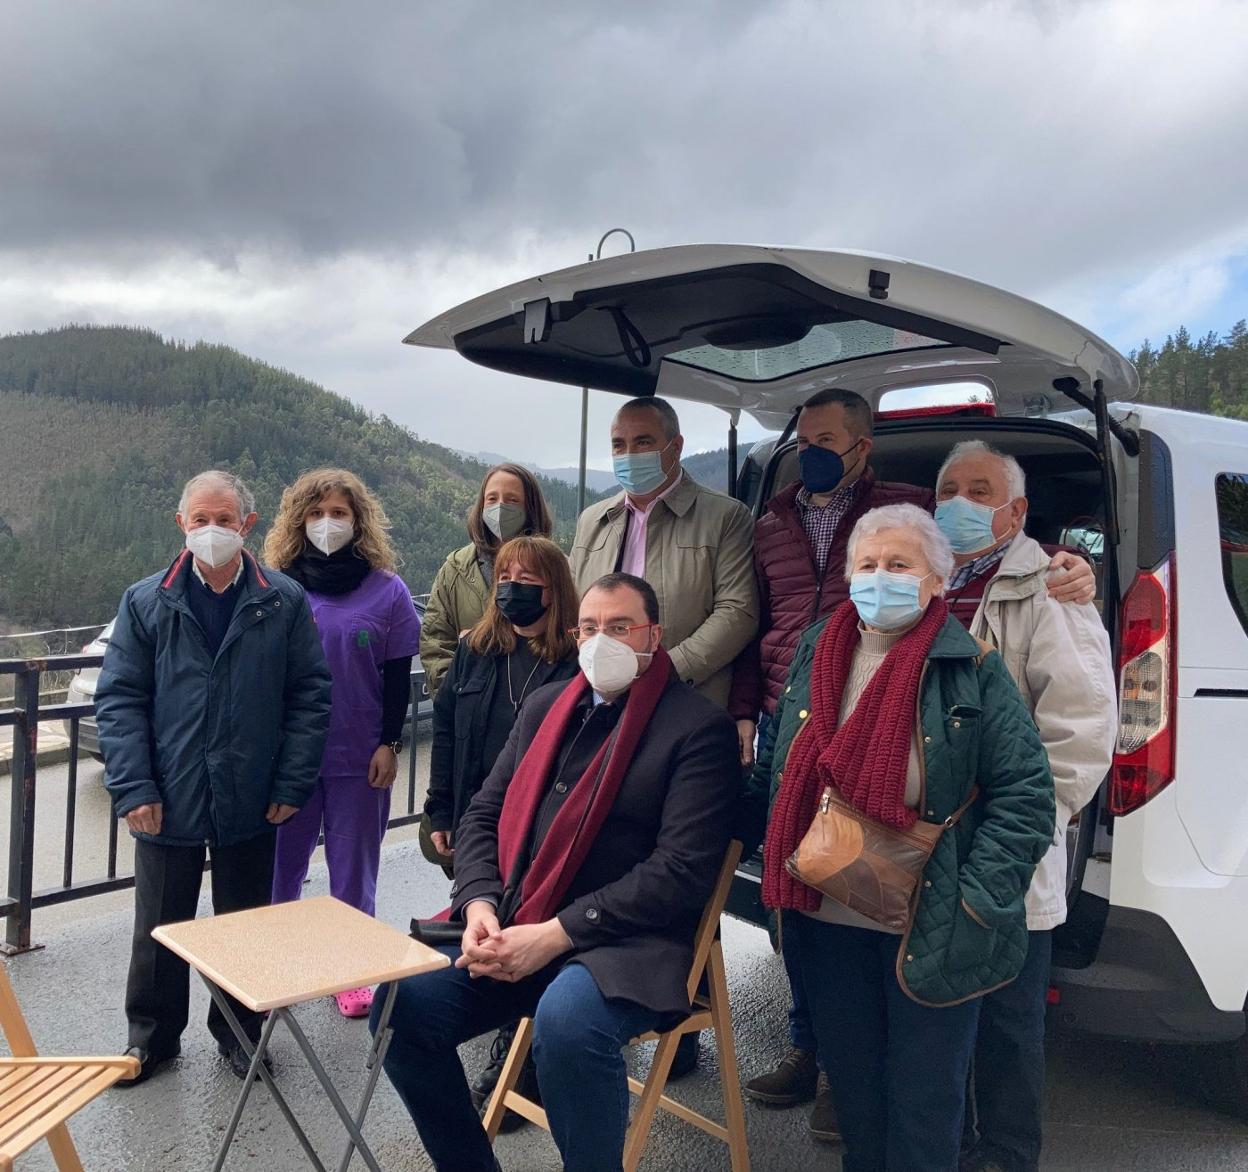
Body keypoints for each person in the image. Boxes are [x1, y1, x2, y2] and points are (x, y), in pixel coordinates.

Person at [732, 389, 1093, 1136]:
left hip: (964, 882)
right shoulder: (826, 641)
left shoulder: (1035, 599)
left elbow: (1064, 749)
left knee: (989, 1055)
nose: (881, 575)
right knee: (870, 1083)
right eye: (949, 492)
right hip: (840, 894)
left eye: (980, 492)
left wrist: (982, 876)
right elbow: (783, 762)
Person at [372, 573, 739, 1172]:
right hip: (519, 918)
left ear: (655, 635)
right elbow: (484, 813)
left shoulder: (697, 729)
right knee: (399, 1004)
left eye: (621, 627)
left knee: (566, 1024)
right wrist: (481, 906)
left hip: (627, 943)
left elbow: (680, 872)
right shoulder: (548, 704)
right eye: (590, 628)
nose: (603, 641)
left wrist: (556, 934)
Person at [96, 470, 331, 1085]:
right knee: (159, 926)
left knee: (244, 925)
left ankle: (240, 1035)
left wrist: (289, 785)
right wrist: (134, 787)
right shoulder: (146, 600)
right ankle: (150, 1039)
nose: (211, 531)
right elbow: (120, 699)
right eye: (199, 520)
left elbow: (309, 695)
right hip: (167, 794)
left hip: (252, 792)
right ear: (180, 525)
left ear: (246, 526)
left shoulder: (281, 600)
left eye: (223, 520)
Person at [932, 442, 1117, 1172]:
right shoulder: (929, 579)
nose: (960, 502)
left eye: (980, 490)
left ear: (1016, 512)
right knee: (943, 1011)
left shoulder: (1050, 590)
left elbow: (1081, 730)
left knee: (1007, 1021)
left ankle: (1005, 1157)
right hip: (932, 842)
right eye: (949, 488)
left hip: (1006, 848)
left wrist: (1023, 829)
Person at [423, 534, 580, 1123]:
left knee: (531, 938)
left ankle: (520, 1065)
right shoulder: (476, 650)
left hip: (541, 827)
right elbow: (445, 730)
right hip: (479, 820)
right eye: (505, 574)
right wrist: (442, 810)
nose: (513, 584)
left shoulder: (574, 659)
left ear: (555, 587)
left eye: (528, 575)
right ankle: (505, 1052)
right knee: (484, 928)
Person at [263, 469, 422, 1018]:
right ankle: (275, 968)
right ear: (297, 521)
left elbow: (399, 675)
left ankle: (351, 972)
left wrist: (389, 744)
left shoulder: (388, 590)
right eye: (315, 513)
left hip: (361, 754)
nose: (327, 523)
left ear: (358, 522)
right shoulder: (276, 587)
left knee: (354, 867)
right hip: (290, 759)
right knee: (281, 866)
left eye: (338, 513)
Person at [569, 396, 758, 712]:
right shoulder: (593, 520)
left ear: (676, 446)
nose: (629, 454)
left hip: (687, 698)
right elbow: (573, 604)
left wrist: (665, 671)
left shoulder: (725, 517)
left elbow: (737, 612)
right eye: (619, 445)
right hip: (601, 697)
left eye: (643, 442)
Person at [421, 463, 555, 698]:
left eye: (512, 500)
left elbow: (567, 632)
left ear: (530, 507)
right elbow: (436, 641)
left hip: (535, 703)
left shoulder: (554, 567)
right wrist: (455, 697)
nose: (500, 507)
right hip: (469, 707)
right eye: (492, 499)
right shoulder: (456, 568)